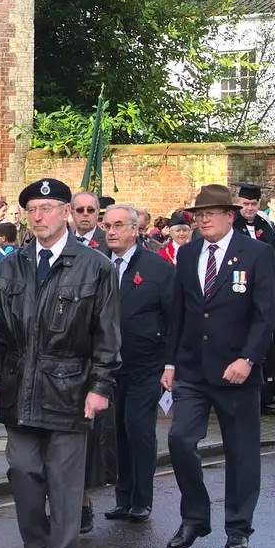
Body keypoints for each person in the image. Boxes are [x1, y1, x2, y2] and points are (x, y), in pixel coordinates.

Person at [0, 178, 121, 548]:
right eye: (32, 210)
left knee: (64, 483)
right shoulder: (11, 264)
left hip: (70, 388)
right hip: (19, 386)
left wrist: (100, 386)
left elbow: (108, 334)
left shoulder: (96, 265)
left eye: (47, 208)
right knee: (23, 472)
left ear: (66, 213)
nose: (38, 216)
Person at [162, 184, 275, 548]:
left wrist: (249, 358)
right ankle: (195, 518)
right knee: (180, 440)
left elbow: (266, 313)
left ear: (231, 215)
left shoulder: (257, 253)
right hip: (192, 368)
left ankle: (238, 526)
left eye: (212, 213)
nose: (204, 220)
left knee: (241, 450)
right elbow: (179, 310)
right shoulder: (189, 252)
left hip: (236, 368)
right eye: (199, 214)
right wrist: (170, 362)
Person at [99, 204, 176, 523]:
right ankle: (124, 496)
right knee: (116, 431)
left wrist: (171, 364)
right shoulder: (100, 265)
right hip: (109, 366)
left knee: (138, 428)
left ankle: (143, 499)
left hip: (147, 363)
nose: (112, 232)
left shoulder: (158, 268)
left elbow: (174, 318)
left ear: (135, 229)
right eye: (108, 226)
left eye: (119, 225)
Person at [233, 181, 275, 410]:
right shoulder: (232, 226)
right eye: (245, 204)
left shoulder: (264, 226)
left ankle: (265, 394)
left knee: (266, 343)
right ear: (238, 203)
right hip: (240, 293)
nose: (249, 208)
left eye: (253, 204)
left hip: (264, 293)